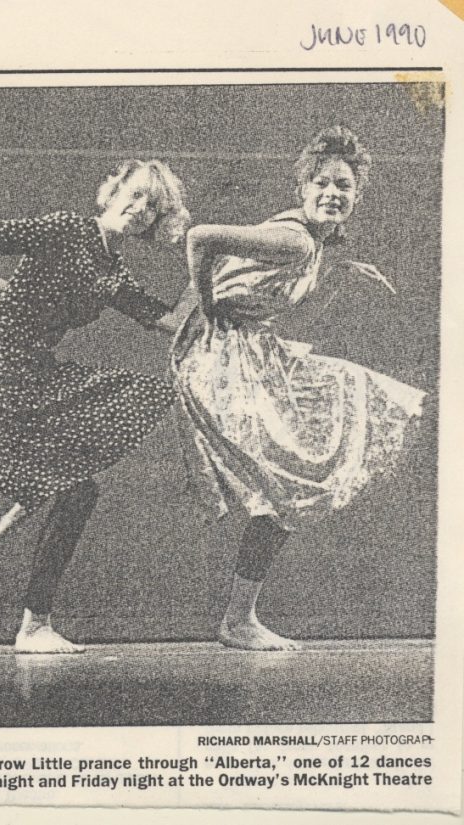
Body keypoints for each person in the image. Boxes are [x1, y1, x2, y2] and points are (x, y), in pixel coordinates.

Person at [170, 126, 425, 651]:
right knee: (301, 468)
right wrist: (209, 306)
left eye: (344, 186)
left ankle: (240, 617)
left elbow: (278, 294)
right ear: (303, 190)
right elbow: (202, 239)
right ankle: (238, 620)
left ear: (357, 197)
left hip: (248, 354)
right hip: (224, 361)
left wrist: (348, 269)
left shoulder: (311, 246)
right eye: (322, 184)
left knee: (287, 491)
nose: (333, 193)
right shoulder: (295, 239)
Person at [0, 161, 191, 654]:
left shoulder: (113, 270)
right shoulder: (66, 228)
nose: (140, 209)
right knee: (79, 492)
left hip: (37, 376)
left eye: (152, 207)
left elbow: (169, 321)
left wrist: (204, 271)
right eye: (136, 195)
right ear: (113, 190)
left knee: (141, 399)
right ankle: (34, 626)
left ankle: (35, 608)